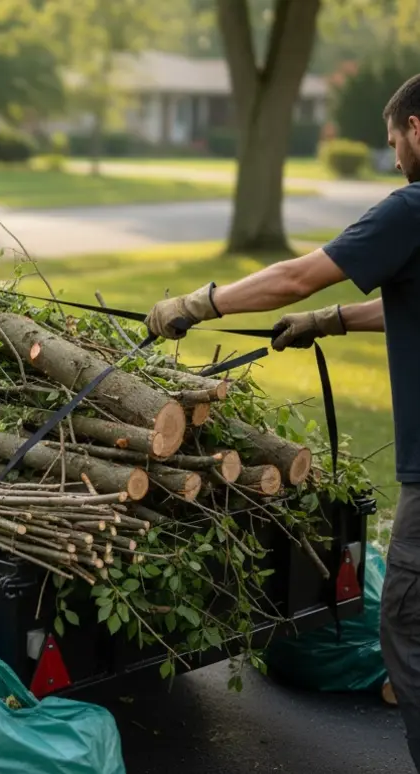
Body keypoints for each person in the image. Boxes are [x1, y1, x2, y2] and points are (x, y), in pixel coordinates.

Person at [145, 74, 420, 771]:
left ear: (418, 130)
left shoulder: (411, 209)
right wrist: (333, 321)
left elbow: (299, 274)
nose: (394, 159)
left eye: (394, 144)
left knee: (408, 623)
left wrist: (201, 302)